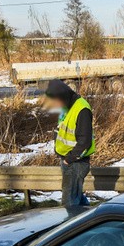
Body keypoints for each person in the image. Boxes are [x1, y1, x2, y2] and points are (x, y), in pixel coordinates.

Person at [43, 79, 96, 215]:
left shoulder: (81, 109)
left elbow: (85, 142)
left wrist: (69, 159)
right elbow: (61, 129)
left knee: (69, 204)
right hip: (68, 160)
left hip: (75, 163)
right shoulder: (67, 106)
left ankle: (72, 232)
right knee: (77, 198)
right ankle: (90, 221)